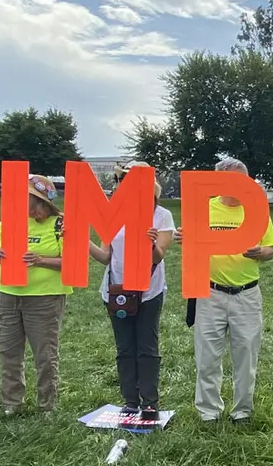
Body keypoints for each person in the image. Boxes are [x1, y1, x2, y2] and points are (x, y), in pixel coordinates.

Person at [173, 158, 273, 424]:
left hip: (247, 294)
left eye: (246, 180)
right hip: (210, 293)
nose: (243, 185)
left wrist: (260, 252)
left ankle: (242, 411)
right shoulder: (202, 208)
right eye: (235, 180)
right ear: (219, 181)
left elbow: (271, 250)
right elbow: (190, 241)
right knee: (207, 357)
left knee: (246, 356)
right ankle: (209, 412)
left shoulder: (257, 210)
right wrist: (184, 237)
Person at [90, 162, 173, 421]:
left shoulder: (161, 215)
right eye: (125, 180)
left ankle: (149, 403)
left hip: (149, 290)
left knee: (147, 347)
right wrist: (81, 240)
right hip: (117, 290)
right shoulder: (114, 215)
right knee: (124, 348)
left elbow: (158, 257)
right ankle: (129, 401)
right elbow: (105, 256)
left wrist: (150, 244)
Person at [0, 174, 71, 416]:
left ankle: (47, 404)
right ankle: (11, 402)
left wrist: (41, 261)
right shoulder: (10, 221)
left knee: (45, 354)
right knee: (8, 350)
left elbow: (73, 262)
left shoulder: (60, 224)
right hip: (8, 294)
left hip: (45, 298)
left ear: (38, 200)